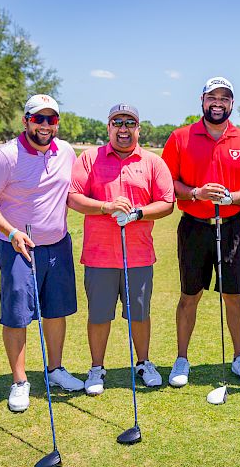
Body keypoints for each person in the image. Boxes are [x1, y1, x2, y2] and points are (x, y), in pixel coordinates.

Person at [0, 94, 84, 412]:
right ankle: (20, 381)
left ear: (57, 123)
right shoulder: (5, 156)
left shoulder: (65, 151)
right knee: (17, 315)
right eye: (38, 118)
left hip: (58, 245)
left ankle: (55, 371)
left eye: (51, 119)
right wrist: (11, 232)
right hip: (18, 248)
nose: (44, 125)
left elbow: (71, 194)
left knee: (56, 311)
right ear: (25, 121)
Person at [162, 76, 240, 387]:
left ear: (231, 103)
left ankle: (239, 357)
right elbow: (168, 183)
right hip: (194, 226)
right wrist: (196, 193)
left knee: (233, 296)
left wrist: (232, 197)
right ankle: (182, 359)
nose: (217, 103)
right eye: (212, 97)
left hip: (232, 226)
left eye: (224, 98)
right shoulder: (181, 137)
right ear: (202, 100)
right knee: (189, 295)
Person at [68, 103, 174, 395]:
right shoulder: (90, 158)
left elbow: (167, 202)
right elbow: (73, 197)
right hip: (99, 255)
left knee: (139, 314)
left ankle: (143, 363)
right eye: (118, 123)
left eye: (130, 123)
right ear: (109, 127)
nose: (123, 129)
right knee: (100, 315)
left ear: (139, 128)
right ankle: (96, 368)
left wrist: (138, 213)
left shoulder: (153, 162)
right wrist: (106, 207)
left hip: (138, 254)